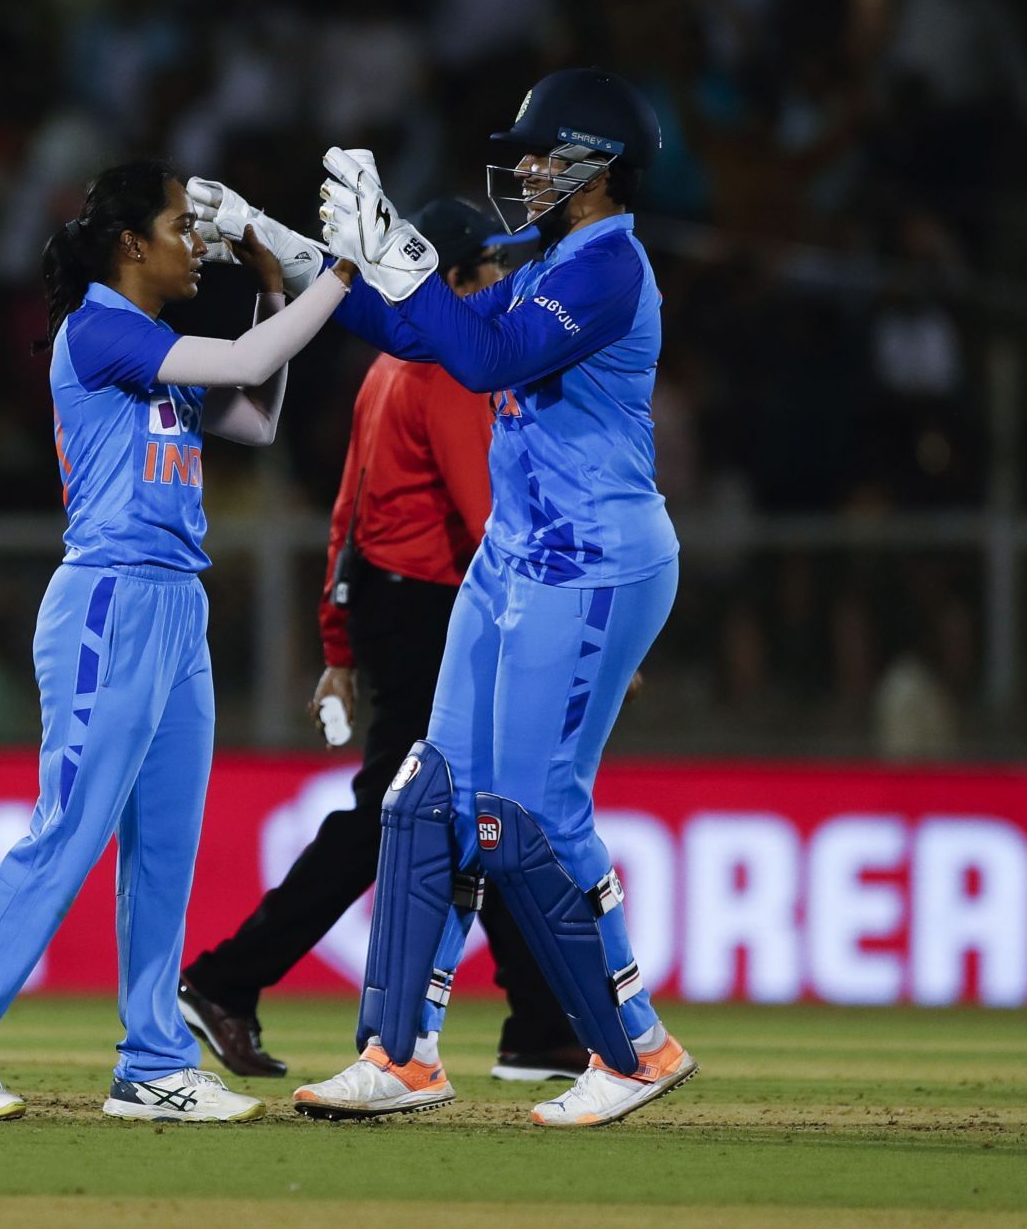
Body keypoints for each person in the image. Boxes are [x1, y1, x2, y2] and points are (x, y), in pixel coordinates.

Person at [194, 68, 694, 1127]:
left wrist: (402, 250)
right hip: (516, 557)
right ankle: (402, 1052)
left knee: (532, 809)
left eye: (540, 153)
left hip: (592, 558)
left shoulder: (608, 268)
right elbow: (415, 331)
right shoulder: (554, 258)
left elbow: (482, 355)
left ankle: (634, 1042)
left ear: (598, 168)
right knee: (427, 794)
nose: (518, 168)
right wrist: (271, 238)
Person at [0, 159, 356, 1124]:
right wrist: (340, 275)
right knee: (71, 828)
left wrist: (272, 284)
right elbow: (246, 368)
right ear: (130, 243)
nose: (197, 243)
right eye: (182, 227)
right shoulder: (97, 330)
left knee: (165, 849)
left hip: (178, 607)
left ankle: (153, 1064)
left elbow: (255, 420)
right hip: (109, 603)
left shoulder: (154, 341)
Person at [176, 200, 592, 1086]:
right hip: (434, 611)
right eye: (489, 273)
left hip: (392, 605)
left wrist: (338, 639)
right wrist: (562, 626)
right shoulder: (447, 370)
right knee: (401, 818)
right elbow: (491, 523)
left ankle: (537, 1021)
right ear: (452, 280)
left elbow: (348, 512)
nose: (504, 289)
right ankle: (224, 979)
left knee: (467, 808)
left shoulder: (387, 366)